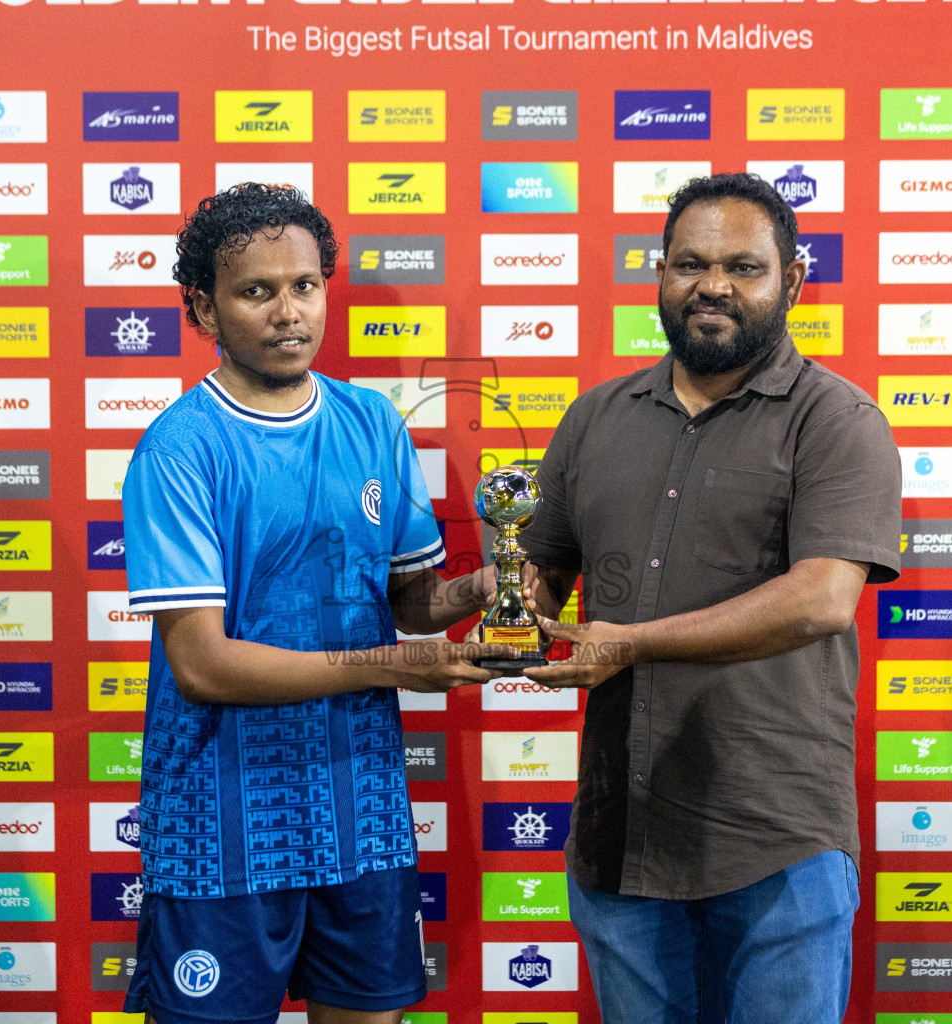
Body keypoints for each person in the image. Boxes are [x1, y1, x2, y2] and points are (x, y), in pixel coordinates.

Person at [516, 173, 903, 1023]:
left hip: (776, 839)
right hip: (624, 831)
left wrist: (634, 643)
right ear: (659, 274)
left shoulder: (837, 421)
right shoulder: (595, 418)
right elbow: (535, 574)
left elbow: (821, 600)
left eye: (743, 266)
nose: (713, 286)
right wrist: (487, 599)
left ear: (792, 280)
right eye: (689, 263)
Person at [120, 183, 509, 1024]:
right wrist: (390, 666)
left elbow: (410, 605)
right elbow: (202, 664)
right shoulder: (179, 449)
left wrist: (499, 586)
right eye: (256, 291)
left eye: (304, 285)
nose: (287, 312)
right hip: (219, 815)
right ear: (204, 306)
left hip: (361, 804)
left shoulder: (373, 422)